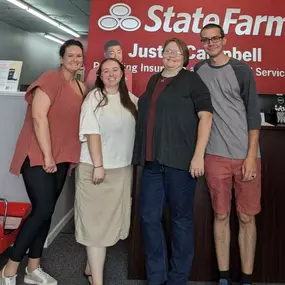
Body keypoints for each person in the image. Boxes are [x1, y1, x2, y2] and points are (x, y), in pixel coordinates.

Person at [0, 39, 86, 285]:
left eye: (79, 56)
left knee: (45, 213)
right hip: (38, 156)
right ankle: (9, 268)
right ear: (61, 58)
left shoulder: (81, 86)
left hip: (61, 158)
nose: (74, 60)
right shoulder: (49, 78)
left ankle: (33, 269)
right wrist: (48, 155)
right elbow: (38, 117)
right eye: (70, 55)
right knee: (42, 211)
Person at [132, 37, 213, 285]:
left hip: (181, 163)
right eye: (168, 51)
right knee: (148, 217)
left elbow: (206, 117)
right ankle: (157, 278)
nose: (172, 55)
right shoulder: (154, 79)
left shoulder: (192, 80)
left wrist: (199, 155)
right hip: (153, 163)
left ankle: (178, 278)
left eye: (177, 52)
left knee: (180, 220)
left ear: (185, 56)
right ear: (162, 54)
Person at [194, 23, 261, 285]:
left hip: (246, 156)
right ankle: (223, 277)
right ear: (201, 43)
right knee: (221, 215)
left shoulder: (241, 69)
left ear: (224, 40)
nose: (210, 43)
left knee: (246, 217)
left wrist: (251, 156)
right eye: (205, 40)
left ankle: (245, 278)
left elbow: (253, 115)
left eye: (215, 39)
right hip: (215, 156)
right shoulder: (198, 70)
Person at [75, 57, 138, 285]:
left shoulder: (130, 100)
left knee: (109, 226)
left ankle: (91, 268)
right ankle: (98, 281)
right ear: (99, 76)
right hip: (97, 170)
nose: (111, 74)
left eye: (115, 70)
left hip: (121, 171)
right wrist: (98, 165)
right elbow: (92, 133)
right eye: (105, 71)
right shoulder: (94, 98)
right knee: (95, 228)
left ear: (123, 73)